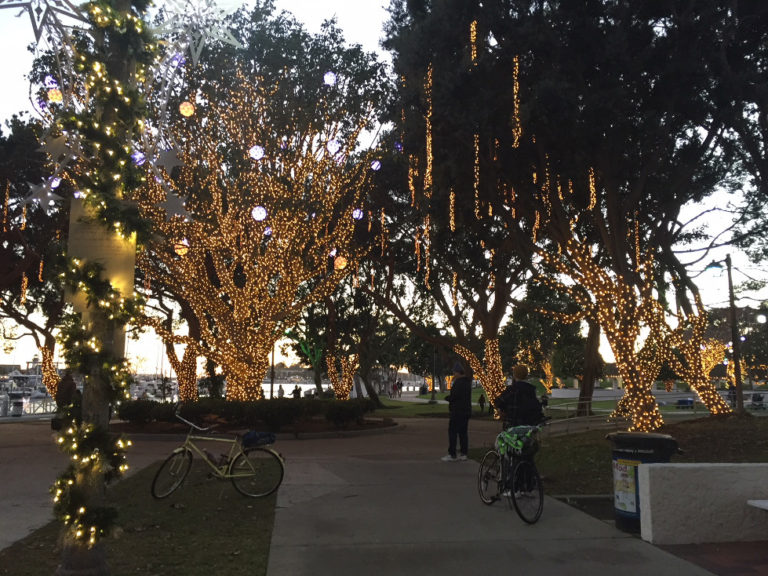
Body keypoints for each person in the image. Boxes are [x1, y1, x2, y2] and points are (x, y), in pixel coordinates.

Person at [494, 364, 543, 429]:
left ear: (514, 375)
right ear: (526, 375)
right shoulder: (531, 390)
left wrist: (503, 411)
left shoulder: (510, 390)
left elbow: (498, 402)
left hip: (512, 425)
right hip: (528, 425)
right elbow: (536, 407)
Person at [442, 361, 472, 462]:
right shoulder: (467, 383)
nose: (453, 375)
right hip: (466, 411)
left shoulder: (458, 383)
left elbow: (455, 396)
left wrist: (448, 398)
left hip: (457, 411)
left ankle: (452, 454)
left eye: (454, 372)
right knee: (463, 433)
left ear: (458, 372)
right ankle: (464, 453)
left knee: (453, 432)